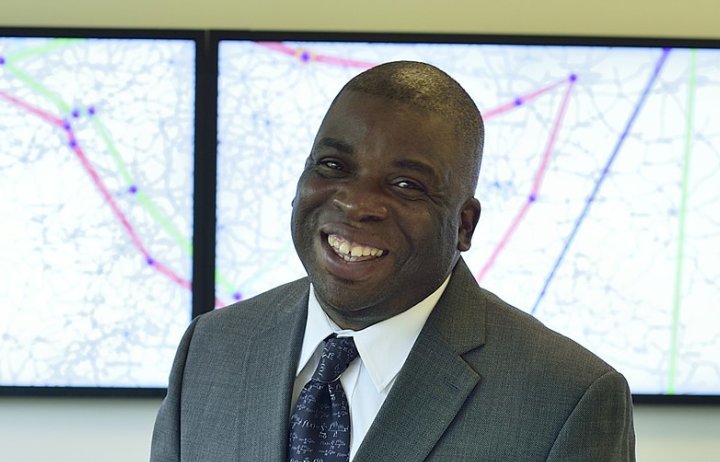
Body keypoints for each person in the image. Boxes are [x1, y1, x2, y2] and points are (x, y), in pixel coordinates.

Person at [150, 61, 635, 461]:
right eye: (334, 166)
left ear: (464, 225)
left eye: (406, 185)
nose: (355, 203)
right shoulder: (210, 348)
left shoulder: (568, 399)